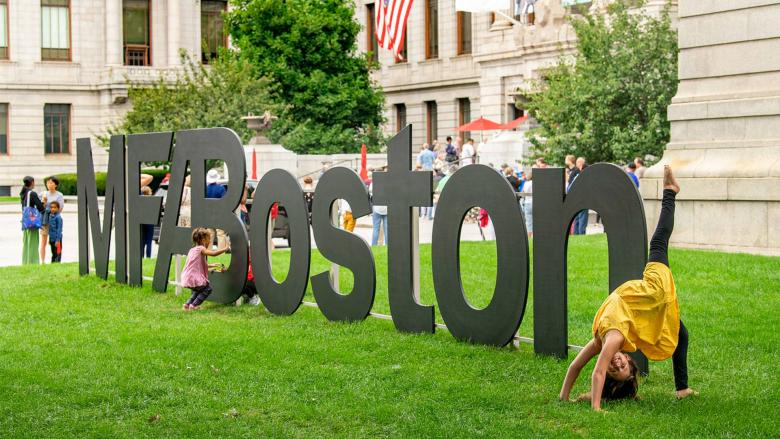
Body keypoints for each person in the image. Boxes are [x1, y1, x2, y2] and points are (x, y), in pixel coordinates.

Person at [559, 166, 696, 410]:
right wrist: (596, 408)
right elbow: (598, 372)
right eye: (623, 367)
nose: (617, 364)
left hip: (650, 302)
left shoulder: (603, 341)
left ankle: (682, 388)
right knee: (658, 241)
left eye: (616, 368)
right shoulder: (615, 337)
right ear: (630, 361)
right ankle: (670, 192)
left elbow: (578, 366)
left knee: (680, 335)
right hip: (653, 291)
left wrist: (565, 396)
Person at [181, 228, 229, 310]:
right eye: (208, 240)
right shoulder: (201, 249)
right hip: (194, 277)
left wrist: (212, 265)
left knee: (197, 290)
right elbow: (213, 253)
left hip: (187, 276)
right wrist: (225, 248)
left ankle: (187, 304)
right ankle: (194, 305)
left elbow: (197, 264)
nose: (209, 242)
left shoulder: (192, 250)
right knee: (207, 289)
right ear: (203, 240)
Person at [20, 176, 45, 265]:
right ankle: (33, 262)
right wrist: (44, 202)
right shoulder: (32, 193)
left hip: (25, 221)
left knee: (26, 243)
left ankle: (25, 262)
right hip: (32, 222)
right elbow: (41, 208)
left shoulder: (23, 193)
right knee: (33, 243)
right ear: (32, 182)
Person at [39, 176, 64, 263]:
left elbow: (60, 209)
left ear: (56, 185)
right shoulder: (43, 194)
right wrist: (44, 203)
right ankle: (42, 261)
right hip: (45, 221)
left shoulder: (59, 195)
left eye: (51, 183)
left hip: (55, 221)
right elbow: (40, 208)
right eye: (48, 183)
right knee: (43, 242)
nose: (49, 184)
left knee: (56, 241)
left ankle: (56, 260)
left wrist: (48, 209)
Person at [206, 169, 228, 249]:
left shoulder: (205, 188)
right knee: (220, 233)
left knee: (209, 233)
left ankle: (208, 250)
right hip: (219, 212)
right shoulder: (221, 188)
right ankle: (221, 250)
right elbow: (224, 201)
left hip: (208, 212)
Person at [573, 157, 588, 235]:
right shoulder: (583, 174)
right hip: (582, 199)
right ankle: (581, 233)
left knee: (578, 218)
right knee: (581, 217)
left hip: (576, 198)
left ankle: (577, 234)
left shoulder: (576, 174)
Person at [141, 186, 155, 258]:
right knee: (149, 241)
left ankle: (142, 256)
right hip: (150, 222)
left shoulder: (141, 200)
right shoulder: (151, 200)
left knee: (142, 241)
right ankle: (148, 256)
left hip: (143, 222)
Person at [521, 171, 533, 237]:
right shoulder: (537, 183)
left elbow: (523, 192)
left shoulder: (526, 183)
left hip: (527, 203)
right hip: (535, 203)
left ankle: (529, 236)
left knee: (528, 221)